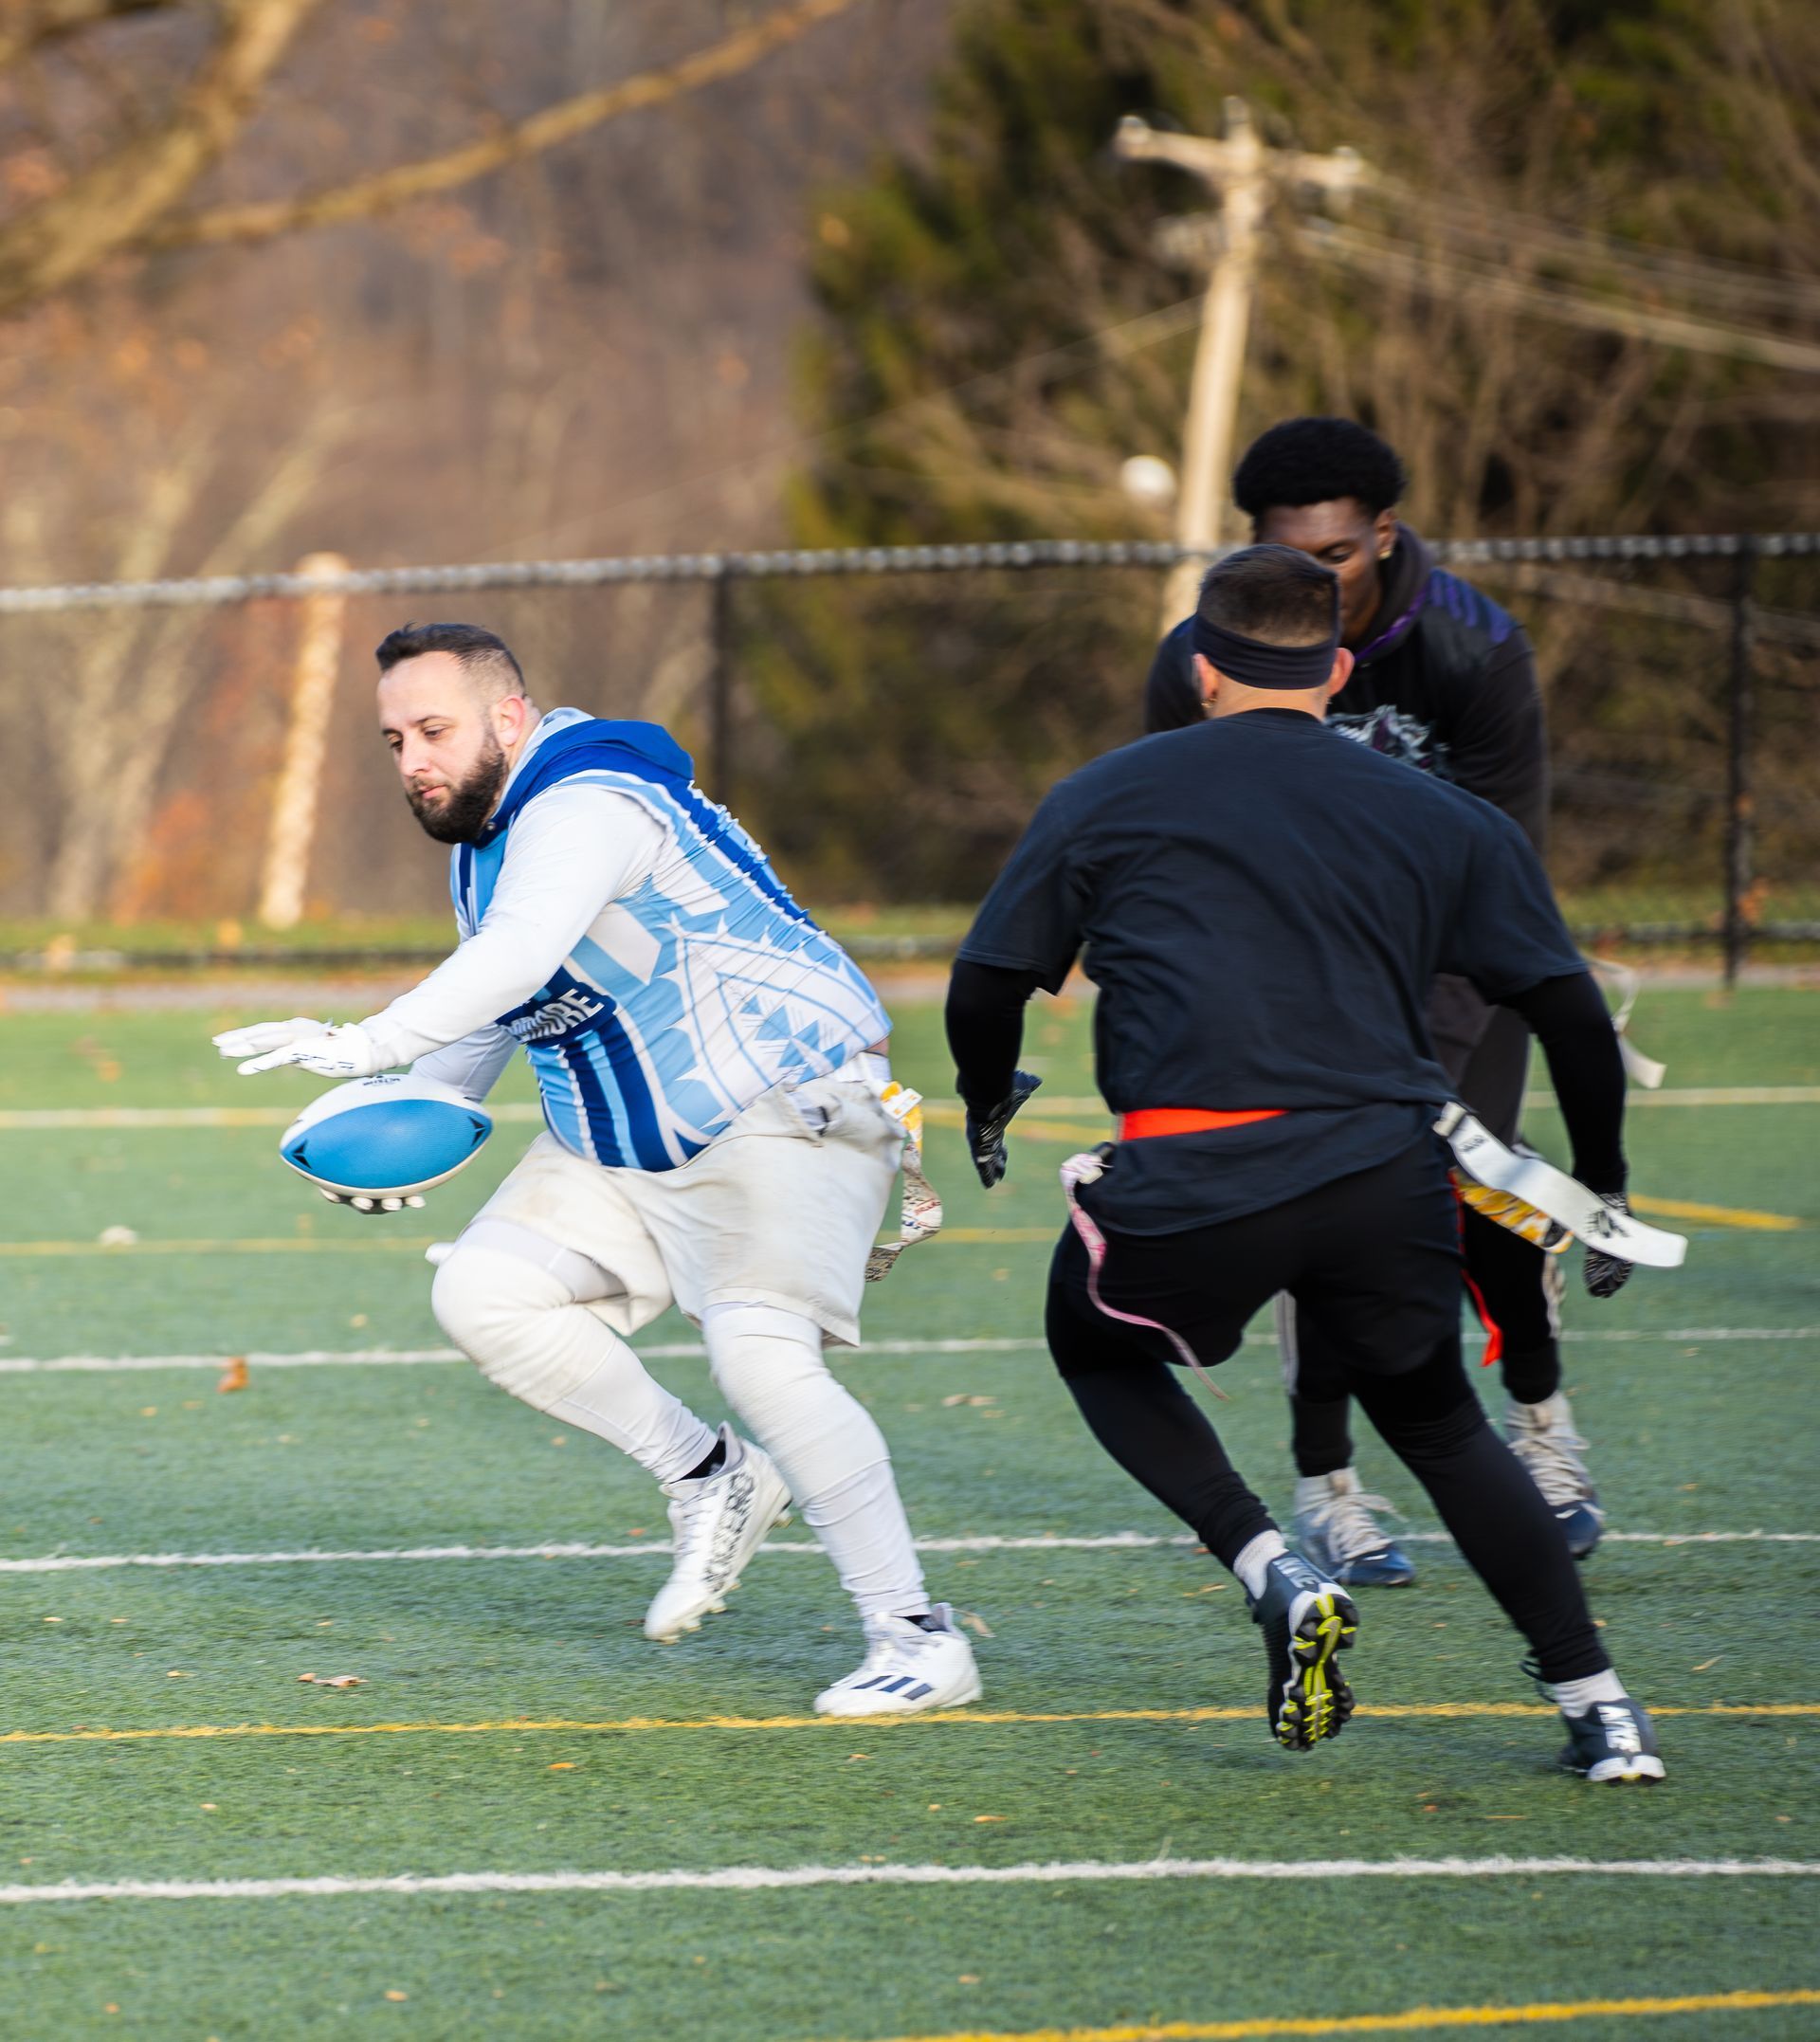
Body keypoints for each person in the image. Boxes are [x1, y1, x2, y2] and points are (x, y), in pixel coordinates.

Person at [946, 545, 1665, 1780]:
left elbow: (986, 979)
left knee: (1095, 1342)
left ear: (1203, 668)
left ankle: (1268, 1563)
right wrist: (1601, 1183)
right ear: (1335, 671)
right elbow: (1571, 1010)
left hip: (1192, 1172)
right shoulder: (1443, 812)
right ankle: (1601, 1706)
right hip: (1383, 1172)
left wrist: (986, 1100)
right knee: (1443, 1425)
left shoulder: (1105, 794)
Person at [215, 621, 979, 1719]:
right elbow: (498, 1013)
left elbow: (517, 957)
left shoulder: (586, 801)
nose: (413, 760)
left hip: (780, 1100)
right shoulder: (493, 842)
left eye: (434, 729)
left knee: (761, 1358)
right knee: (482, 1292)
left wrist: (371, 1043)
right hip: (629, 1141)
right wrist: (404, 1116)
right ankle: (713, 1478)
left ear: (510, 719)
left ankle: (917, 1634)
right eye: (392, 740)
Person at [1145, 416, 1599, 1586]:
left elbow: (1504, 870)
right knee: (1324, 1222)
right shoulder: (1202, 656)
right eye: (1296, 560)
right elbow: (1176, 836)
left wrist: (1418, 1055)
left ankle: (1545, 1434)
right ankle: (1330, 1488)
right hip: (1284, 985)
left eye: (1341, 555)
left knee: (1479, 1207)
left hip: (1453, 973)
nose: (1321, 581)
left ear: (1384, 536)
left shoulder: (1474, 649)